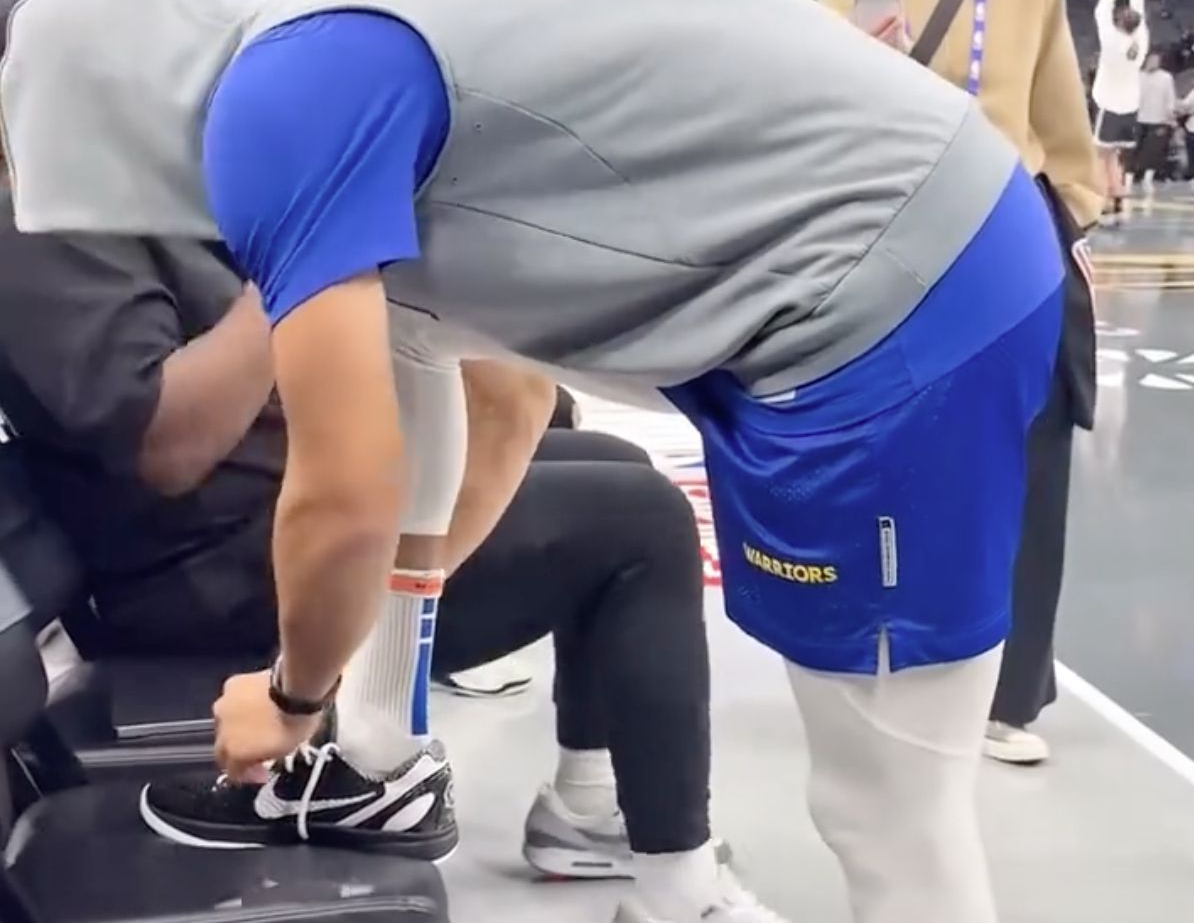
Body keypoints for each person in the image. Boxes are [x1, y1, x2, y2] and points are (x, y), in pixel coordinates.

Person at [1, 0, 1068, 923]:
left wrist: (293, 696)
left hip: (904, 295)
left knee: (885, 813)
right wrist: (368, 723)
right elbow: (475, 386)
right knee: (879, 797)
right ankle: (385, 757)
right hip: (895, 247)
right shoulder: (337, 56)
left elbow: (347, 490)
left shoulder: (275, 115)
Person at [0, 171, 737, 911]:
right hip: (206, 572)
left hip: (254, 510)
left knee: (611, 462)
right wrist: (297, 268)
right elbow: (167, 446)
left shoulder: (148, 193)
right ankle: (680, 887)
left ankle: (589, 801)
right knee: (641, 520)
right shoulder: (42, 224)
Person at [817, 0, 1103, 768]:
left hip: (1016, 258)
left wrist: (1061, 221)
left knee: (1032, 473)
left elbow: (1064, 132)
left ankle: (1011, 697)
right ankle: (905, 670)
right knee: (903, 478)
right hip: (905, 270)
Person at [1092, 0, 1149, 220]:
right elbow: (1140, 9)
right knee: (1113, 152)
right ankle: (1118, 192)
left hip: (1109, 104)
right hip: (1130, 106)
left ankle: (1107, 196)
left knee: (1100, 153)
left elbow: (1101, 9)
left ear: (1118, 23)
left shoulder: (1112, 40)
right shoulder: (1141, 39)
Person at [1129, 52, 1176, 199]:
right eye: (1151, 60)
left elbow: (1170, 99)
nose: (1153, 62)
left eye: (1156, 60)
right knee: (1133, 149)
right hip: (1138, 118)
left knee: (1153, 151)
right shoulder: (1137, 76)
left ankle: (1147, 179)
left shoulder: (1166, 78)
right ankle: (1129, 178)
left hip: (1158, 119)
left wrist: (1170, 118)